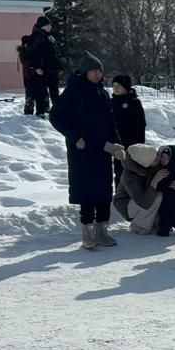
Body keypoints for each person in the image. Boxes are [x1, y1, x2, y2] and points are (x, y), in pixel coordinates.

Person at [49, 51, 125, 250]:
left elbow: (110, 121)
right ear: (84, 72)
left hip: (102, 149)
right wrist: (75, 137)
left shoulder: (102, 93)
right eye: (94, 71)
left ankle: (102, 230)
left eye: (100, 71)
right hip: (81, 151)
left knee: (103, 191)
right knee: (87, 192)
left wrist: (115, 143)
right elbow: (56, 116)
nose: (98, 75)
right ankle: (88, 232)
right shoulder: (74, 92)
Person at [114, 143, 175, 237]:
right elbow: (143, 202)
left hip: (143, 199)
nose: (159, 159)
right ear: (147, 163)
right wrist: (154, 181)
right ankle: (140, 226)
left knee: (164, 196)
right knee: (157, 196)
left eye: (157, 155)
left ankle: (155, 222)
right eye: (156, 159)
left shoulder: (150, 165)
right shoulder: (130, 177)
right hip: (127, 204)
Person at [110, 74, 146, 192]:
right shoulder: (111, 103)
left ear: (126, 87)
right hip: (117, 144)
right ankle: (119, 195)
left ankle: (133, 196)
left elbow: (141, 125)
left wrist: (139, 144)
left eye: (119, 86)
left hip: (132, 144)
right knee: (119, 171)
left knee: (132, 171)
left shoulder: (134, 103)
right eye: (114, 85)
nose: (116, 88)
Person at [28, 16, 61, 109]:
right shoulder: (34, 38)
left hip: (52, 69)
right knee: (41, 92)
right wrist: (36, 67)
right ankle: (41, 111)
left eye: (50, 25)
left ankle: (57, 109)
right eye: (47, 25)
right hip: (41, 69)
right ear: (42, 26)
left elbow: (56, 54)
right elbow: (31, 54)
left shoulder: (51, 37)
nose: (49, 27)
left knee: (54, 91)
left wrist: (59, 66)